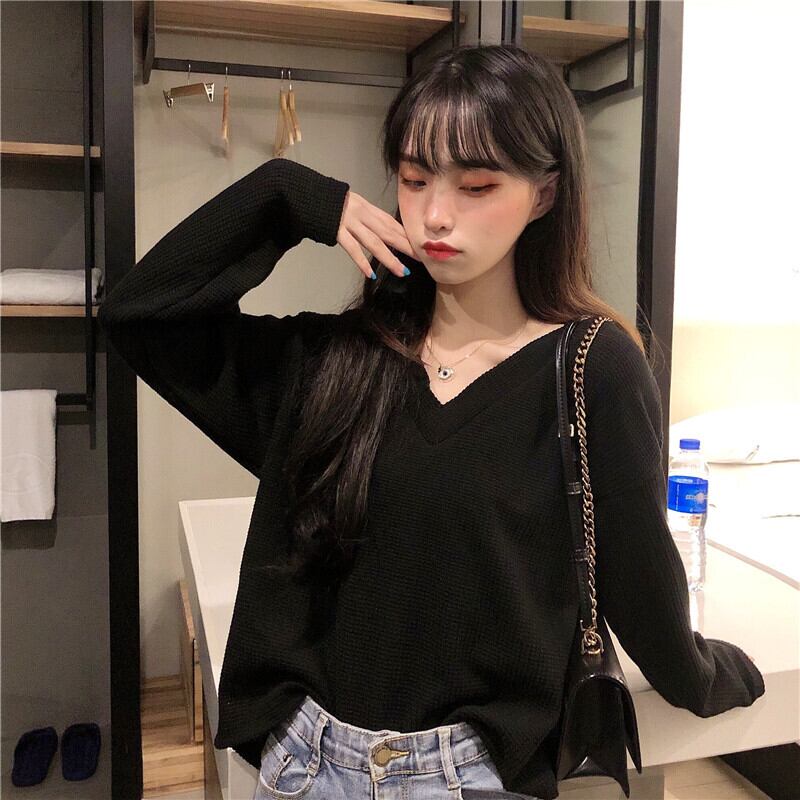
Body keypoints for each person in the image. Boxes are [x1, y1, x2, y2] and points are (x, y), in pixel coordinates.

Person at [98, 44, 764, 800]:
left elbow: (637, 575)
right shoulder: (337, 364)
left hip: (473, 775)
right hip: (304, 766)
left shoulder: (589, 368)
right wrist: (287, 196)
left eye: (477, 185)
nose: (436, 215)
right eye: (415, 180)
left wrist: (705, 675)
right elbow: (139, 317)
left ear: (544, 194)